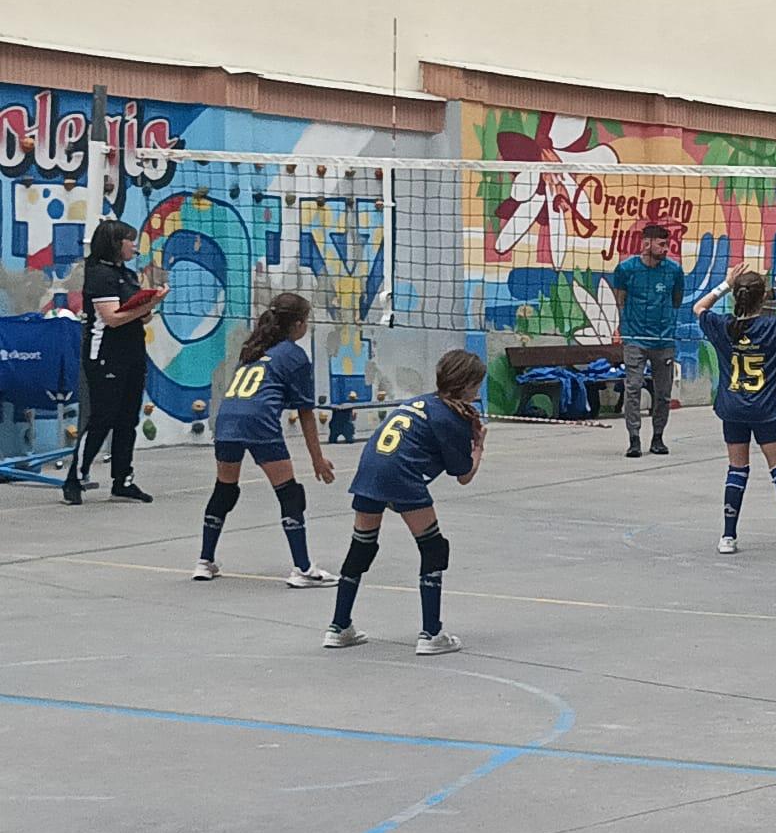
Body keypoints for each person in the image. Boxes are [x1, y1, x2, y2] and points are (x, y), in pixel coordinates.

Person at [324, 350, 488, 655]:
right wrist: (478, 444)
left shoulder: (420, 402)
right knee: (433, 547)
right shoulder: (453, 418)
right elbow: (463, 474)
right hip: (400, 474)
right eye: (476, 384)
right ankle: (431, 634)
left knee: (362, 546)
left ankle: (338, 627)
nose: (478, 391)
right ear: (466, 384)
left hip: (371, 467)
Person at [196, 293, 338, 585]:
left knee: (225, 489)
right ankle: (303, 569)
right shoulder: (294, 355)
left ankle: (204, 561)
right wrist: (317, 459)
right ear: (298, 324)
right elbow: (306, 413)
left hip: (227, 419)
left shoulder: (253, 348)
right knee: (289, 492)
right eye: (307, 321)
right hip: (258, 421)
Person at [693, 264, 776, 556]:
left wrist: (725, 284)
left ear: (738, 297)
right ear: (763, 299)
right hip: (764, 410)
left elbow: (699, 308)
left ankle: (728, 537)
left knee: (737, 469)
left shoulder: (724, 326)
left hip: (732, 408)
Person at [63, 219, 166, 506]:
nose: (134, 245)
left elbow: (137, 317)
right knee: (102, 419)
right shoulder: (99, 275)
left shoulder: (128, 275)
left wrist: (149, 304)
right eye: (129, 240)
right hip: (105, 356)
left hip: (132, 354)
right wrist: (148, 305)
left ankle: (122, 480)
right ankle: (76, 477)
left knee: (127, 420)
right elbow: (112, 319)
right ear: (115, 243)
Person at [611, 223, 684, 458]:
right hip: (635, 338)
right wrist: (625, 329)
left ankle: (658, 437)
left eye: (666, 244)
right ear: (646, 243)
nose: (665, 249)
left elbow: (676, 301)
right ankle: (634, 439)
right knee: (633, 388)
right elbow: (620, 300)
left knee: (663, 393)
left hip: (664, 340)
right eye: (661, 244)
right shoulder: (625, 269)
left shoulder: (673, 271)